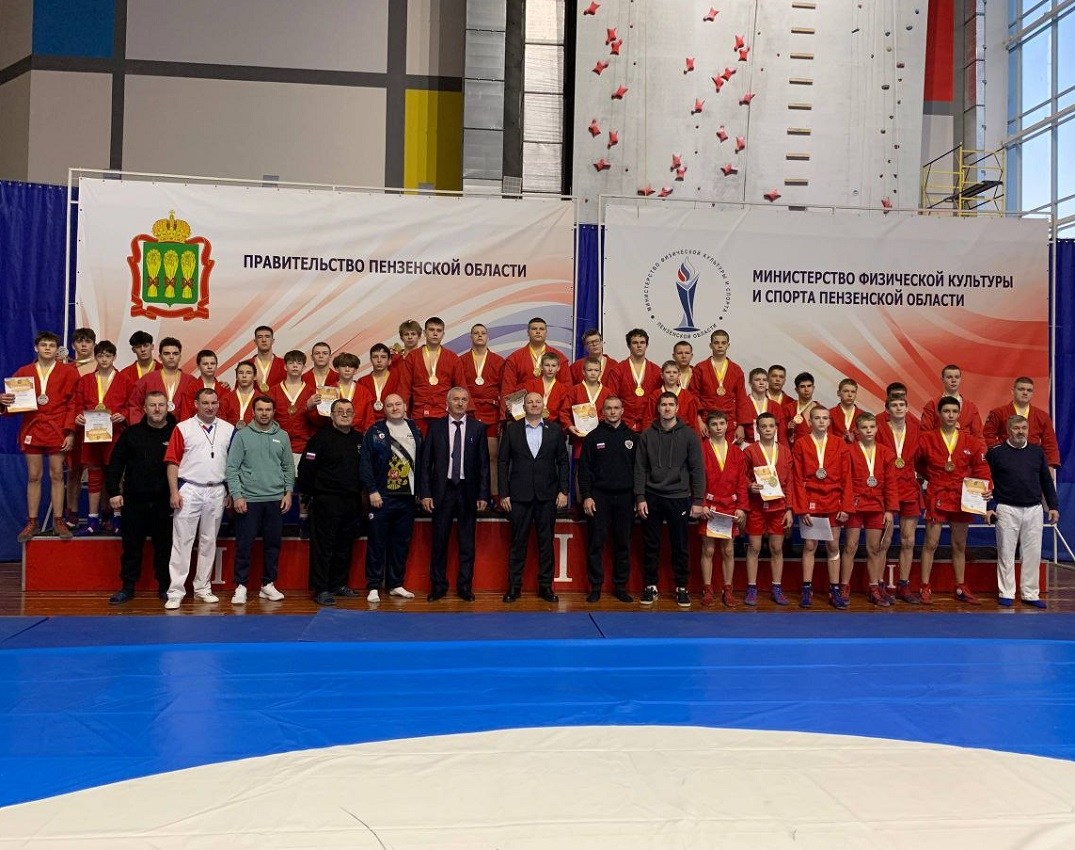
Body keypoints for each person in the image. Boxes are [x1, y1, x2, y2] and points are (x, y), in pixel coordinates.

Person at [0, 330, 79, 541]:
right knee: (34, 476)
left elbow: (73, 404)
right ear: (36, 348)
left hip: (57, 428)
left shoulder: (69, 372)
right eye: (43, 345)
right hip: (33, 428)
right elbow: (13, 403)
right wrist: (4, 402)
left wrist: (70, 432)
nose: (47, 348)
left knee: (57, 475)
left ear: (57, 349)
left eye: (51, 346)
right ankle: (32, 522)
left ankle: (59, 520)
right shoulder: (24, 371)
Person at [163, 388, 236, 609]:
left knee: (209, 540)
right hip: (190, 488)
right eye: (205, 403)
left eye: (214, 403)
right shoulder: (183, 428)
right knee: (182, 541)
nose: (210, 407)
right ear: (196, 404)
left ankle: (203, 588)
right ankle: (176, 591)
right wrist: (174, 492)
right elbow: (172, 462)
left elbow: (233, 464)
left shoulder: (229, 429)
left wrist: (230, 491)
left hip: (216, 490)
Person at [915, 396, 991, 604]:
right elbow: (918, 463)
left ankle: (960, 587)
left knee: (959, 544)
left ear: (959, 415)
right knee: (931, 543)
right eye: (946, 411)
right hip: (937, 495)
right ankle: (924, 586)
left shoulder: (970, 441)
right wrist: (931, 477)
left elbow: (981, 467)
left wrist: (987, 487)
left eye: (954, 411)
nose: (950, 415)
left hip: (961, 496)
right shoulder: (926, 438)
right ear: (939, 414)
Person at [634, 392, 707, 607]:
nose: (667, 408)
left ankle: (681, 587)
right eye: (663, 404)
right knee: (651, 544)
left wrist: (698, 499)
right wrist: (640, 497)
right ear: (658, 408)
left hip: (679, 496)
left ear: (677, 408)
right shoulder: (647, 435)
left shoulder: (689, 435)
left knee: (680, 545)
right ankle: (650, 586)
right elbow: (640, 468)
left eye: (670, 404)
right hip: (652, 496)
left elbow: (697, 469)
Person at [104, 390, 176, 604]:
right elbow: (115, 464)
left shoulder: (178, 433)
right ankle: (127, 588)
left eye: (161, 405)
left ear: (167, 407)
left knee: (165, 548)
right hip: (135, 501)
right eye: (152, 405)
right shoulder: (131, 434)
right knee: (131, 547)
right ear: (144, 408)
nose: (157, 409)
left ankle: (165, 587)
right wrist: (114, 492)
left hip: (165, 502)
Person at [419, 386, 489, 601]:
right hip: (443, 490)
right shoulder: (436, 427)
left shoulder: (478, 428)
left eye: (464, 399)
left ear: (468, 403)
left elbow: (484, 464)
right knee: (439, 541)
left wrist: (483, 495)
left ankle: (465, 586)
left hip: (468, 490)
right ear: (447, 403)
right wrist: (425, 493)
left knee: (467, 542)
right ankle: (438, 586)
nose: (460, 403)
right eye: (456, 399)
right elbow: (426, 463)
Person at [499, 391, 570, 603]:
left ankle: (545, 587)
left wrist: (563, 491)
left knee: (546, 543)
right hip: (519, 496)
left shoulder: (554, 430)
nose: (534, 405)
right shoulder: (512, 430)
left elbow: (563, 462)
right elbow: (503, 462)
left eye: (538, 401)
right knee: (518, 543)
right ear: (524, 407)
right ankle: (514, 587)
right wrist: (504, 493)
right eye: (530, 402)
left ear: (543, 405)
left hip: (547, 495)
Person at [225, 395, 293, 604]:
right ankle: (241, 586)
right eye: (260, 410)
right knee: (244, 545)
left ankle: (268, 584)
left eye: (268, 410)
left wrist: (288, 492)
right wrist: (237, 495)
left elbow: (288, 467)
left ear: (274, 412)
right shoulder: (242, 436)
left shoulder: (282, 436)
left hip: (275, 499)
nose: (264, 413)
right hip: (249, 500)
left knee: (273, 544)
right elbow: (232, 468)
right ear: (253, 412)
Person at [986, 414, 1059, 608]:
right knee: (1006, 552)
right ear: (1008, 430)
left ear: (1028, 430)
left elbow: (1046, 481)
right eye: (1016, 428)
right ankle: (1006, 592)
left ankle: (1030, 593)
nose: (1020, 432)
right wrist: (989, 508)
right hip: (1006, 508)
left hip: (1034, 509)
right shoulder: (996, 453)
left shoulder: (1037, 452)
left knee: (1033, 553)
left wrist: (1053, 506)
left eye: (1024, 428)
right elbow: (987, 482)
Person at [298, 399, 364, 605]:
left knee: (344, 545)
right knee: (323, 547)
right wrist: (311, 495)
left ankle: (338, 584)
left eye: (349, 411)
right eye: (340, 411)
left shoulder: (359, 439)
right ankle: (321, 588)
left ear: (354, 415)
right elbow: (305, 470)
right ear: (332, 415)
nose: (344, 414)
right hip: (327, 500)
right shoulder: (320, 438)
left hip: (352, 501)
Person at [360, 394, 423, 602]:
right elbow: (365, 463)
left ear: (405, 406)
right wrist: (372, 490)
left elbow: (422, 462)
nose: (394, 408)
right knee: (377, 543)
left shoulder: (415, 429)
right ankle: (373, 586)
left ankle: (396, 584)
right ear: (384, 409)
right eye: (390, 405)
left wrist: (420, 491)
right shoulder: (375, 431)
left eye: (398, 404)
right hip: (382, 496)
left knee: (401, 543)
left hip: (407, 498)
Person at [790, 406, 853, 608]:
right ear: (810, 422)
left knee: (833, 546)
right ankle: (807, 588)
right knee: (810, 545)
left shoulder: (839, 443)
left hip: (834, 501)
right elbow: (796, 477)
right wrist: (802, 509)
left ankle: (834, 590)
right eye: (817, 418)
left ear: (830, 421)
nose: (821, 421)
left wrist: (846, 506)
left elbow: (847, 477)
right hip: (811, 501)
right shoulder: (801, 443)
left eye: (825, 418)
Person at [69, 340, 133, 535]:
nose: (104, 359)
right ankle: (92, 520)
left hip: (116, 434)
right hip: (92, 435)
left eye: (108, 356)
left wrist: (124, 415)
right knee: (94, 476)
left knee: (116, 475)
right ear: (96, 357)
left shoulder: (125, 381)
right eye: (101, 356)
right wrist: (78, 417)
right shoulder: (86, 380)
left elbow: (133, 405)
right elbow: (77, 405)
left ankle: (117, 518)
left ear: (114, 357)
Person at [577, 396, 636, 603]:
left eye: (616, 408)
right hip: (599, 497)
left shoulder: (633, 438)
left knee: (623, 544)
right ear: (603, 411)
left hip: (626, 497)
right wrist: (587, 496)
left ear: (622, 411)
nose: (612, 412)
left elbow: (639, 471)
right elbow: (584, 470)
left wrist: (638, 497)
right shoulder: (593, 437)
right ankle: (595, 587)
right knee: (596, 543)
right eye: (609, 408)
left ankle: (620, 587)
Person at [842, 413, 898, 606]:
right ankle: (844, 586)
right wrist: (846, 506)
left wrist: (890, 510)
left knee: (874, 548)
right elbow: (846, 481)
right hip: (855, 505)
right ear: (857, 430)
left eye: (872, 427)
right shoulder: (849, 451)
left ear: (876, 429)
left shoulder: (885, 453)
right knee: (850, 547)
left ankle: (874, 587)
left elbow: (891, 484)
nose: (868, 431)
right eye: (864, 427)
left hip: (876, 506)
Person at [875, 395, 924, 603]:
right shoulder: (879, 430)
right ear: (887, 409)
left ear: (907, 408)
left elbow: (924, 458)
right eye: (894, 405)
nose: (898, 408)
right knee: (884, 541)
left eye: (902, 405)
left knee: (908, 540)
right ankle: (878, 585)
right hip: (887, 489)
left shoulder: (916, 430)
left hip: (909, 488)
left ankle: (904, 585)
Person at [698, 411, 748, 608]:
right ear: (708, 427)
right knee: (708, 549)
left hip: (730, 506)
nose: (718, 427)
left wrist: (742, 507)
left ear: (728, 425)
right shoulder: (701, 449)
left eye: (721, 423)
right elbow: (696, 479)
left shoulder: (737, 452)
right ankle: (707, 589)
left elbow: (742, 482)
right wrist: (701, 503)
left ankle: (728, 590)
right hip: (709, 506)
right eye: (714, 424)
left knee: (728, 550)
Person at [743, 412, 794, 605]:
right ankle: (751, 588)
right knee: (754, 547)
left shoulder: (785, 451)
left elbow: (790, 483)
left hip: (778, 507)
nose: (767, 429)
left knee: (776, 548)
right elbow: (742, 476)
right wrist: (749, 486)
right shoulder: (750, 451)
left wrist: (789, 509)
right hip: (756, 506)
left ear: (776, 428)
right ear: (758, 429)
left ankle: (777, 588)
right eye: (763, 426)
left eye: (771, 426)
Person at [398, 316, 465, 436]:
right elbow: (404, 387)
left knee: (442, 447)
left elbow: (460, 387)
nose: (435, 333)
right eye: (431, 330)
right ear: (425, 333)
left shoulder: (452, 358)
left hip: (444, 413)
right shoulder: (412, 357)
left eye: (439, 330)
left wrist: (462, 413)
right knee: (420, 447)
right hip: (419, 413)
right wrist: (401, 411)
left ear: (443, 334)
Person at [461, 324, 504, 503]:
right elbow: (459, 386)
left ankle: (494, 495)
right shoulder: (461, 360)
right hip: (469, 413)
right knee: (468, 456)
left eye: (483, 333)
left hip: (491, 413)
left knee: (492, 456)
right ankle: (470, 495)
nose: (479, 335)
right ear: (470, 337)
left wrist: (502, 417)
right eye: (476, 333)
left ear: (488, 337)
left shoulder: (498, 361)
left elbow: (504, 389)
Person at [983, 377, 1061, 468]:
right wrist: (1000, 452)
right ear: (1013, 391)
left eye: (1029, 390)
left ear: (1032, 393)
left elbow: (1050, 443)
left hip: (1033, 461)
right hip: (1005, 461)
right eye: (1021, 389)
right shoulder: (998, 413)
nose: (1025, 393)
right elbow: (987, 436)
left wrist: (1050, 466)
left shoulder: (1042, 416)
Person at [63, 327, 98, 527]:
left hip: (98, 426)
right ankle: (72, 513)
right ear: (73, 345)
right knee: (74, 470)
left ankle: (104, 513)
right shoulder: (65, 369)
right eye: (79, 341)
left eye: (88, 341)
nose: (84, 345)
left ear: (94, 344)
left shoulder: (104, 366)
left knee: (100, 470)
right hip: (74, 425)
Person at [692, 329, 746, 441]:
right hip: (706, 420)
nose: (720, 346)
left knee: (728, 451)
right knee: (706, 451)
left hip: (729, 421)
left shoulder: (736, 369)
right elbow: (694, 395)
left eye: (723, 343)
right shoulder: (700, 368)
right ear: (711, 345)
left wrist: (741, 426)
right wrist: (699, 421)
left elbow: (741, 398)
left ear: (728, 345)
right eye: (716, 343)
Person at [127, 337, 197, 424]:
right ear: (160, 357)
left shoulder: (191, 381)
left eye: (175, 354)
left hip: (183, 430)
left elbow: (198, 408)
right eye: (166, 354)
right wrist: (140, 428)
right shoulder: (146, 380)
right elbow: (134, 406)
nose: (171, 357)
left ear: (180, 357)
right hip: (152, 430)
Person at [501, 317, 571, 398]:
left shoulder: (560, 358)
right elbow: (507, 390)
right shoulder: (514, 358)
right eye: (534, 329)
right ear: (528, 332)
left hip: (552, 403)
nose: (538, 331)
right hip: (523, 404)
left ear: (546, 332)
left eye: (541, 329)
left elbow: (567, 387)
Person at [609, 328, 662, 432]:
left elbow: (661, 399)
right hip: (624, 423)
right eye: (635, 343)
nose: (639, 346)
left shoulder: (656, 371)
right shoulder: (617, 370)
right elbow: (612, 398)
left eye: (642, 342)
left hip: (651, 423)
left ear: (647, 345)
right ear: (629, 345)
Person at [310, 352, 375, 432]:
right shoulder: (328, 391)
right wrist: (310, 407)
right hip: (334, 433)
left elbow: (369, 419)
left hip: (358, 434)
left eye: (351, 366)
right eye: (343, 366)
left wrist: (367, 436)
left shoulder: (364, 391)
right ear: (337, 368)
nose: (347, 369)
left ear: (355, 370)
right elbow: (321, 420)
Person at [564, 356, 612, 458]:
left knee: (601, 463)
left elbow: (612, 412)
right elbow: (564, 412)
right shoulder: (574, 390)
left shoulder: (607, 392)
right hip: (580, 437)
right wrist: (570, 426)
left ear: (600, 372)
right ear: (583, 372)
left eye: (596, 370)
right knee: (581, 465)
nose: (593, 373)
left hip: (601, 436)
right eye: (589, 370)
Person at [920, 364, 982, 436]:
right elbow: (924, 434)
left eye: (957, 377)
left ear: (960, 379)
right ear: (942, 380)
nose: (953, 380)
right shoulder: (932, 405)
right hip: (939, 442)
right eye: (949, 377)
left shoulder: (971, 407)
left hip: (966, 443)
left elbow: (978, 436)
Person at [177, 349, 234, 421]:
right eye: (205, 364)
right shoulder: (190, 389)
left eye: (212, 363)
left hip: (220, 426)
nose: (209, 366)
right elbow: (186, 416)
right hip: (196, 426)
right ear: (198, 366)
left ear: (216, 366)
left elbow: (229, 415)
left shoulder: (224, 389)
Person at [739, 367, 785, 443]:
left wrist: (783, 449)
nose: (761, 383)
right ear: (750, 383)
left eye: (764, 380)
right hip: (748, 445)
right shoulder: (742, 404)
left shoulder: (775, 406)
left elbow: (782, 434)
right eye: (757, 380)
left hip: (772, 446)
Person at [649, 360, 699, 428]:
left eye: (675, 372)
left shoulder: (687, 395)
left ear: (679, 375)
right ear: (662, 375)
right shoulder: (655, 395)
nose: (671, 375)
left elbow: (693, 421)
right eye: (668, 372)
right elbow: (648, 419)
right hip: (660, 432)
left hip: (683, 432)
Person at [524, 352, 570, 423]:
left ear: (558, 368)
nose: (550, 369)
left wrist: (549, 417)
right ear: (541, 367)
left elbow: (563, 412)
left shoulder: (564, 389)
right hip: (530, 422)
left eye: (553, 366)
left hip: (553, 425)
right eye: (547, 365)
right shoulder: (530, 384)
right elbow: (523, 407)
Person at [358, 343, 400, 420]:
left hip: (393, 421)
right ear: (370, 360)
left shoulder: (398, 380)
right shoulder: (362, 381)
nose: (379, 360)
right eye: (375, 357)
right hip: (369, 422)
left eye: (383, 357)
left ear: (389, 360)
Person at [784, 371, 821, 445]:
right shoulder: (788, 409)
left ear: (813, 388)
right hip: (796, 449)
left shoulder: (821, 410)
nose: (806, 390)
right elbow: (782, 436)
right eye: (802, 386)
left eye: (809, 386)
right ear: (796, 390)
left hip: (816, 449)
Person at [828, 378, 865, 443]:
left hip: (857, 449)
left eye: (853, 392)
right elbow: (827, 438)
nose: (850, 395)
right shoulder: (830, 414)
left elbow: (867, 441)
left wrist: (854, 440)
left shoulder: (863, 415)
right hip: (836, 448)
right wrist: (841, 440)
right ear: (838, 393)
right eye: (846, 391)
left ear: (856, 394)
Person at [225, 360, 260, 427]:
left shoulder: (261, 399)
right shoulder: (226, 399)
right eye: (240, 373)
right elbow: (220, 423)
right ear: (236, 377)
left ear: (255, 377)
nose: (244, 376)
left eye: (248, 373)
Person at [252, 325, 286, 391]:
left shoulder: (284, 364)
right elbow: (238, 391)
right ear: (255, 341)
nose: (264, 340)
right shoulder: (245, 364)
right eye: (260, 337)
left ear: (273, 341)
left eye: (267, 337)